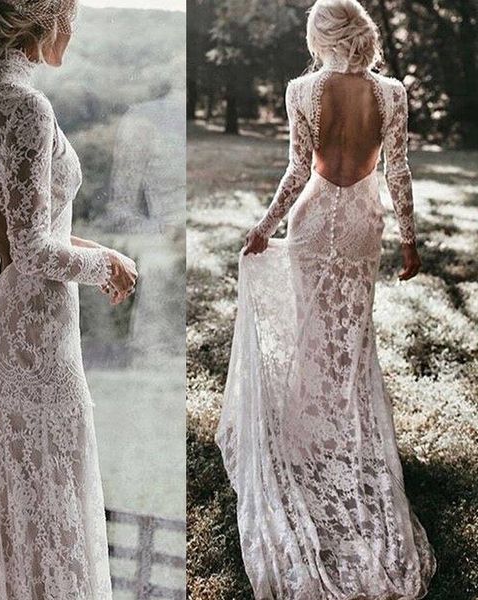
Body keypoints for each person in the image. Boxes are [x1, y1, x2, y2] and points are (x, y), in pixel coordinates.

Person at [215, 1, 437, 598]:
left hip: (314, 222)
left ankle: (311, 434)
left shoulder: (302, 90)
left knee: (316, 333)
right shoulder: (392, 94)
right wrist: (410, 242)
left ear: (321, 36)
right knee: (352, 337)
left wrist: (265, 227)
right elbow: (399, 174)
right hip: (363, 225)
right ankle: (345, 433)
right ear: (362, 34)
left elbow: (296, 171)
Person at [0, 1, 137, 598]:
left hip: (14, 323)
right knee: (49, 491)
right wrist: (106, 262)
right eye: (70, 14)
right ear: (39, 18)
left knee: (22, 495)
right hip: (34, 330)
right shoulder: (27, 105)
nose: (73, 29)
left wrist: (81, 245)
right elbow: (33, 253)